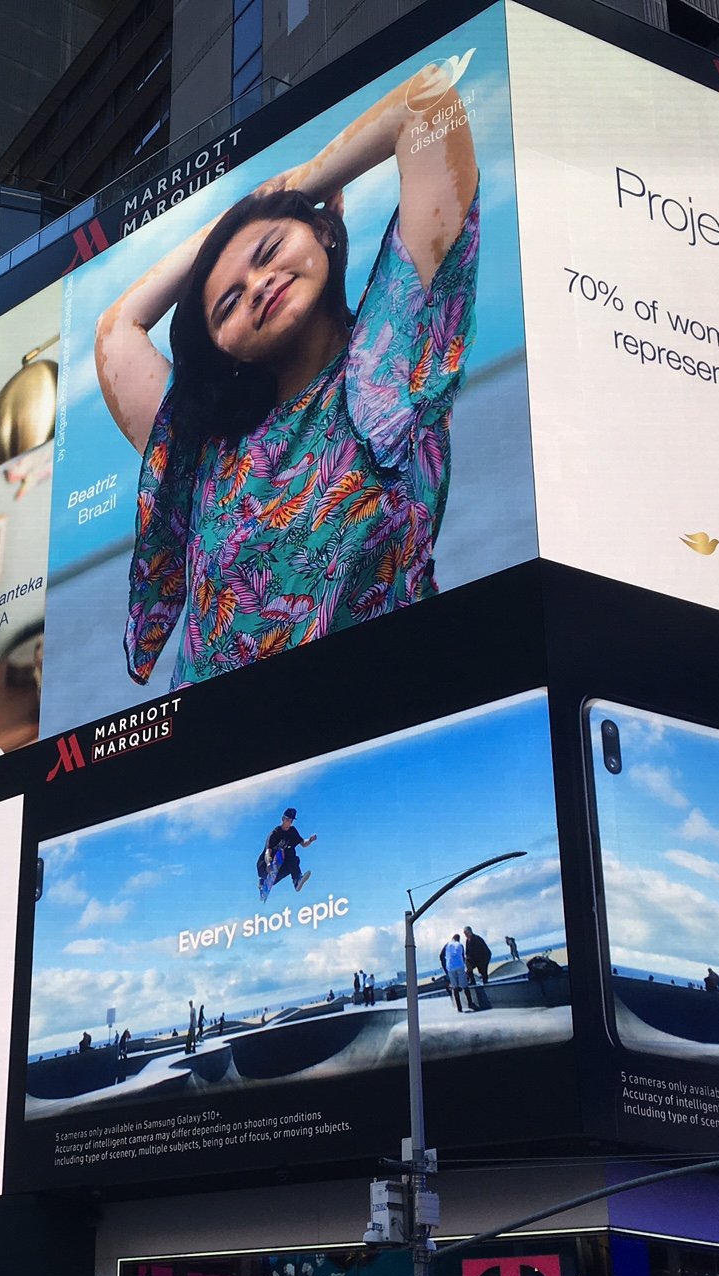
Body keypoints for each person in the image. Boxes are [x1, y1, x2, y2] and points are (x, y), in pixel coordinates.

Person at [96, 60, 479, 687]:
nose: (256, 287)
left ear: (325, 230)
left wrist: (298, 186)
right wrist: (246, 218)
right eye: (227, 303)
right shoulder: (209, 448)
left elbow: (427, 103)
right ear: (224, 350)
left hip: (385, 741)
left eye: (269, 252)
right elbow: (118, 327)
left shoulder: (390, 357)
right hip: (210, 768)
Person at [259, 808, 318, 898]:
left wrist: (310, 840)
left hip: (277, 869)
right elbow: (268, 852)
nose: (289, 823)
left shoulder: (292, 831)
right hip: (264, 866)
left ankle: (297, 880)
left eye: (291, 821)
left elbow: (303, 844)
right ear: (283, 819)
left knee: (294, 859)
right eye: (287, 820)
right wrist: (268, 864)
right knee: (286, 851)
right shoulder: (275, 833)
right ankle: (263, 880)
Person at [442, 932, 471, 1012]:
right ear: (458, 939)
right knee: (465, 985)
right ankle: (470, 1003)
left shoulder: (447, 945)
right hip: (459, 965)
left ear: (452, 938)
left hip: (450, 967)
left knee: (454, 987)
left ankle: (459, 1007)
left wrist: (446, 968)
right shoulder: (460, 945)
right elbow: (462, 956)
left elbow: (441, 956)